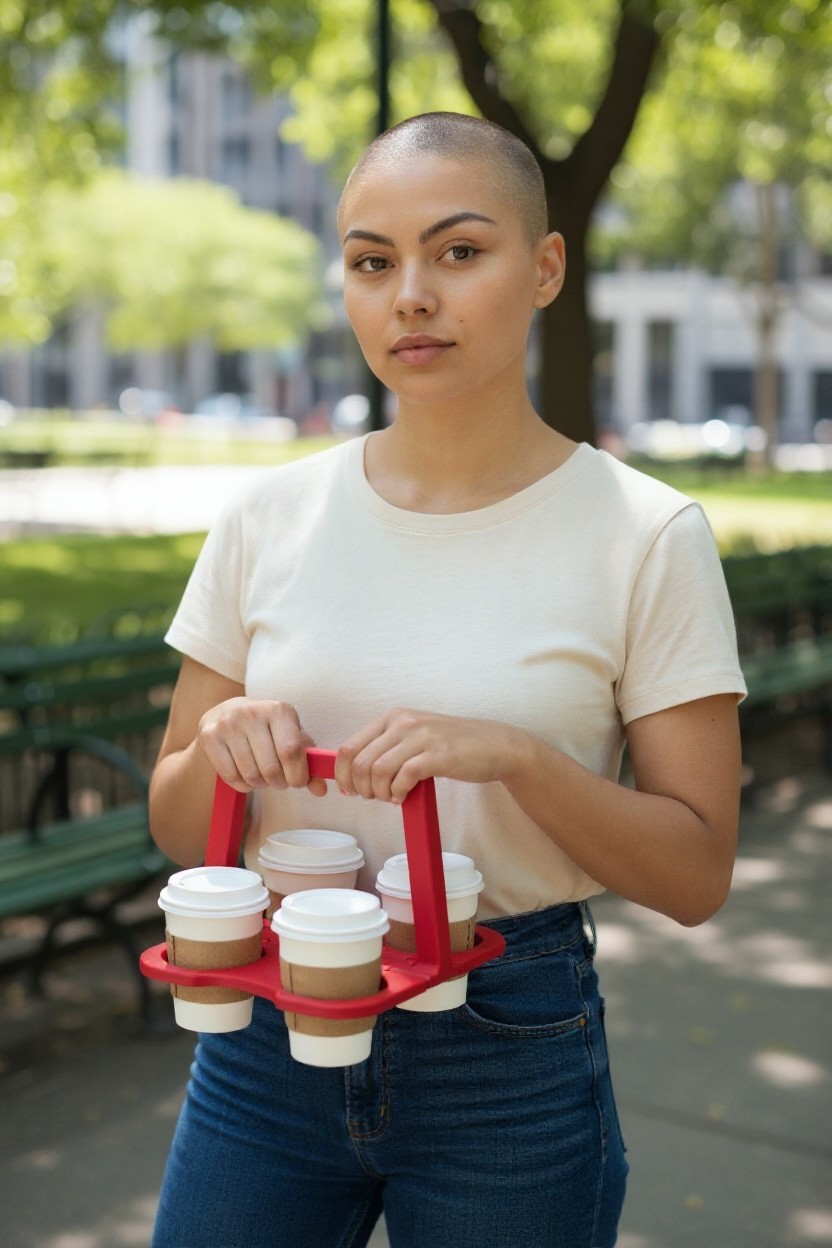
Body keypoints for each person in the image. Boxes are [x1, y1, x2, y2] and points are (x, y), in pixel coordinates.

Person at [149, 111, 747, 1248]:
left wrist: (517, 758)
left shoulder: (645, 533)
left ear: (544, 268)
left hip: (505, 1047)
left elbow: (695, 871)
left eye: (458, 251)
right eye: (372, 262)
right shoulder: (263, 518)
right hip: (267, 1030)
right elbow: (181, 828)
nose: (409, 295)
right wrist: (219, 745)